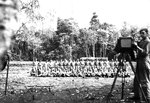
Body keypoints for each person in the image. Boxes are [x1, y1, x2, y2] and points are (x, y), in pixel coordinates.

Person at [131, 28, 150, 102]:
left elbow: (145, 53)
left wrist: (137, 47)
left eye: (143, 33)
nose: (141, 34)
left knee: (144, 80)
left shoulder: (148, 42)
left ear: (147, 33)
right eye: (141, 33)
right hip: (139, 61)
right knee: (137, 79)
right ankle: (137, 96)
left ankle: (147, 98)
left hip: (144, 62)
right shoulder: (141, 41)